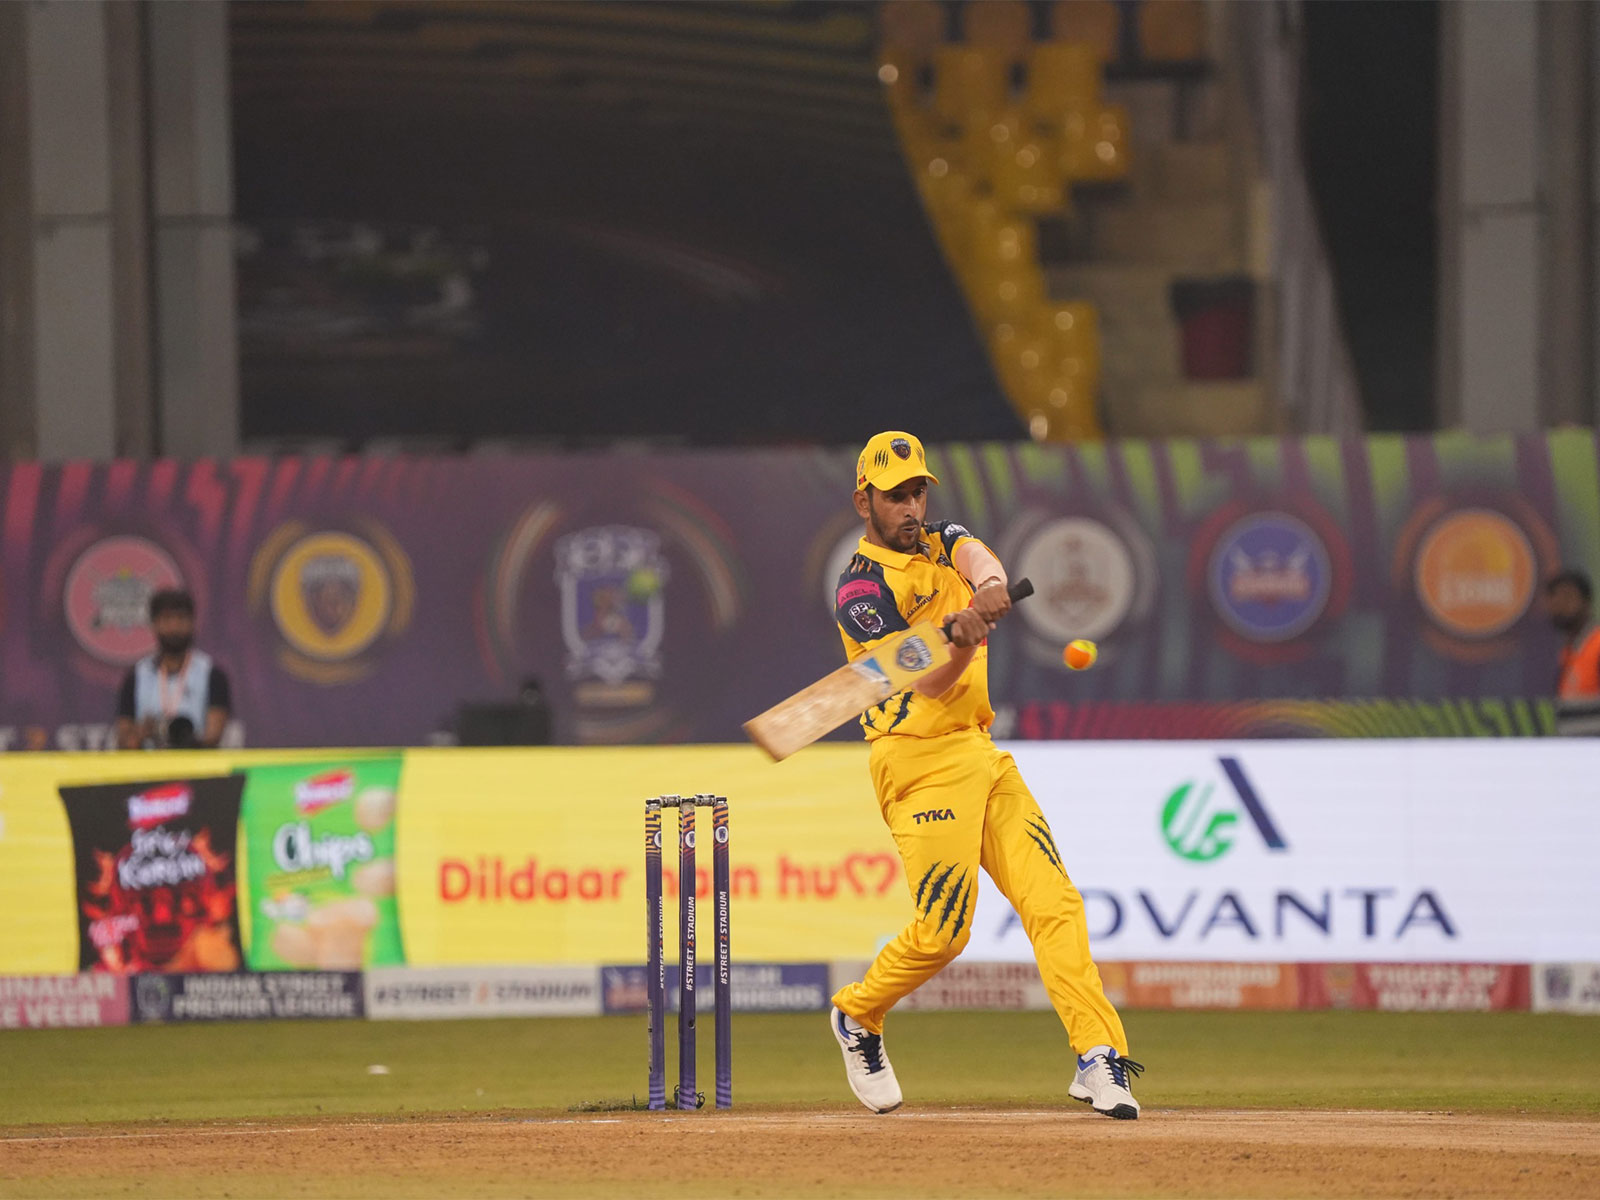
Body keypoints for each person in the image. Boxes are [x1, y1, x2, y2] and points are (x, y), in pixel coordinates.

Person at [825, 430, 1142, 1119]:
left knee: (1053, 902)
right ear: (864, 501)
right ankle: (858, 1013)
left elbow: (975, 551)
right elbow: (933, 684)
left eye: (917, 492)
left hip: (980, 751)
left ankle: (1099, 1056)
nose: (911, 507)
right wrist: (963, 642)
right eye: (895, 496)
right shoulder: (861, 591)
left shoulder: (939, 541)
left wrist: (991, 588)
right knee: (945, 933)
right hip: (915, 760)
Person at [115, 588, 232, 750]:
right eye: (167, 619)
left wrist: (184, 740)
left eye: (181, 618)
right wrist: (143, 733)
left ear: (192, 622)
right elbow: (123, 742)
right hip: (150, 771)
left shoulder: (212, 674)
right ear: (154, 624)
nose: (174, 626)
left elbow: (213, 736)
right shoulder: (137, 676)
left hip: (196, 770)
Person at [1545, 567, 1600, 735]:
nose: (1560, 604)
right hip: (1574, 753)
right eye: (1555, 597)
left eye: (1567, 596)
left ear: (1586, 602)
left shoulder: (1597, 645)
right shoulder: (1570, 651)